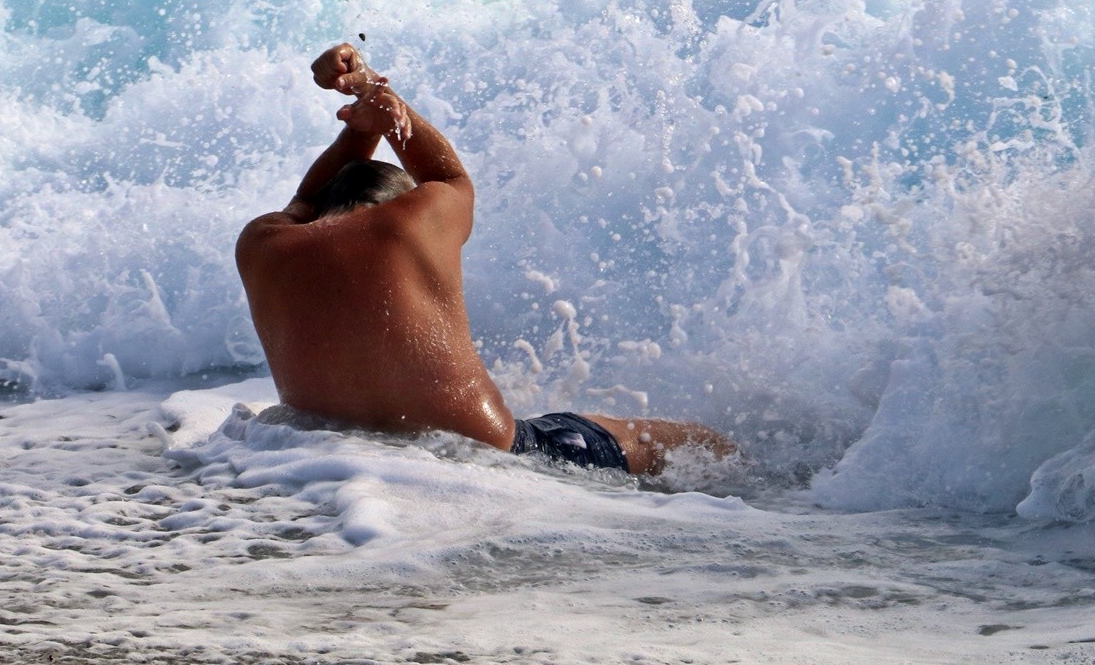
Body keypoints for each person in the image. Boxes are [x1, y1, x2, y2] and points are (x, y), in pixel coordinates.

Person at [236, 42, 732, 476]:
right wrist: (378, 97)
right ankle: (775, 490)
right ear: (398, 201)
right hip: (492, 454)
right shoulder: (411, 222)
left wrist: (364, 124)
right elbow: (451, 178)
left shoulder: (264, 246)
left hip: (330, 460)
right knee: (692, 445)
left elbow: (304, 198)